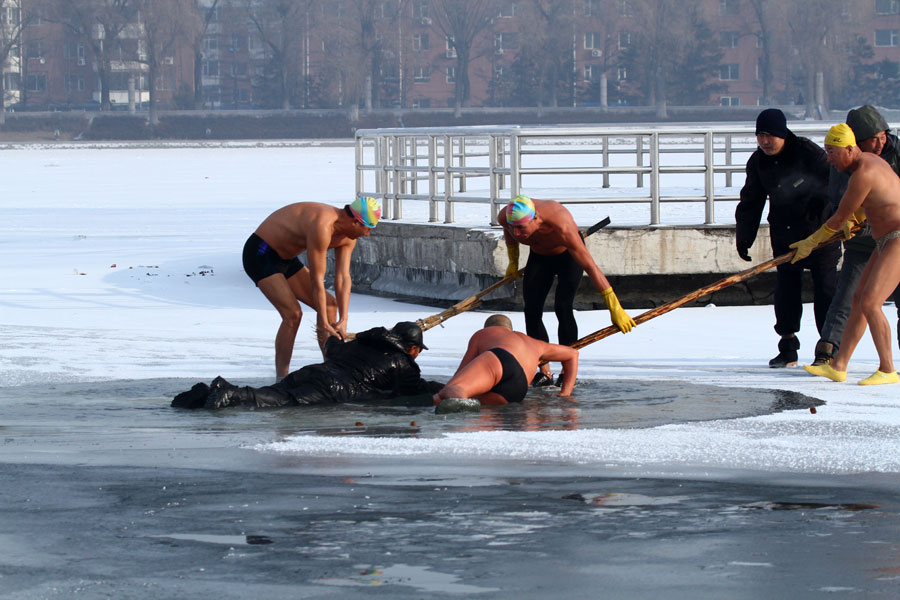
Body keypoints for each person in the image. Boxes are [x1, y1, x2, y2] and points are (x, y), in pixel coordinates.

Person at [793, 123, 900, 385]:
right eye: (827, 151)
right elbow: (874, 201)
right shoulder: (870, 161)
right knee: (858, 301)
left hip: (898, 238)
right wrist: (857, 219)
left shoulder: (862, 174)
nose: (829, 158)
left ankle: (888, 369)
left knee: (871, 303)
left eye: (833, 151)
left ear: (850, 149)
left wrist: (810, 242)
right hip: (885, 238)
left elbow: (839, 217)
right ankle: (838, 365)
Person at [735, 108, 839, 368]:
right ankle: (788, 347)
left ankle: (828, 347)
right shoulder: (758, 162)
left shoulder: (808, 153)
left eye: (770, 135)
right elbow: (751, 200)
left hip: (820, 234)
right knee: (786, 291)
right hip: (786, 234)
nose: (765, 142)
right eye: (760, 135)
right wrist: (744, 235)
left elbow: (833, 184)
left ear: (782, 134)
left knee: (826, 290)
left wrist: (821, 208)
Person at [499, 195, 634, 386]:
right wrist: (513, 261)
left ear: (535, 218)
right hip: (539, 257)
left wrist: (615, 308)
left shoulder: (561, 225)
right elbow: (508, 234)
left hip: (567, 256)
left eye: (521, 227)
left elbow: (591, 267)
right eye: (513, 228)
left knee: (563, 307)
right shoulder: (506, 217)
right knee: (531, 309)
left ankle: (566, 369)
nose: (517, 233)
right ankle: (543, 370)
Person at [243, 197, 381, 380]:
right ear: (356, 222)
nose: (367, 235)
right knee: (292, 315)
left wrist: (344, 318)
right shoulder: (323, 225)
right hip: (261, 253)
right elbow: (317, 279)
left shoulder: (349, 237)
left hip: (287, 258)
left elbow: (343, 277)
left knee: (331, 306)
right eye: (368, 229)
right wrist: (322, 321)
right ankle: (281, 378)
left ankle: (331, 371)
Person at [172, 321, 442, 409]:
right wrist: (448, 387)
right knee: (283, 400)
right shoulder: (403, 362)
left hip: (315, 371)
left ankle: (204, 396)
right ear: (413, 348)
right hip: (333, 387)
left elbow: (333, 347)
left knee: (274, 391)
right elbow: (413, 390)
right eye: (417, 351)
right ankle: (230, 392)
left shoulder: (361, 342)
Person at [433, 314, 580, 408]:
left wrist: (448, 389)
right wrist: (565, 393)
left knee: (452, 391)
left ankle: (454, 400)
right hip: (517, 389)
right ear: (510, 329)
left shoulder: (484, 333)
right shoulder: (535, 343)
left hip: (502, 360)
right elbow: (572, 354)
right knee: (476, 404)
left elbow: (461, 373)